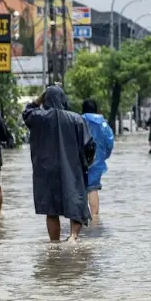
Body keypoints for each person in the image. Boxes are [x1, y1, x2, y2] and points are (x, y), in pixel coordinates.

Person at [24, 86, 96, 242]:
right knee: (76, 202)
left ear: (45, 99)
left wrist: (38, 99)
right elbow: (89, 145)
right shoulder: (76, 119)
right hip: (72, 168)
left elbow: (26, 113)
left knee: (51, 209)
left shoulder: (38, 117)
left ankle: (54, 242)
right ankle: (73, 237)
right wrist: (86, 164)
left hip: (46, 170)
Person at [81, 99, 115, 220]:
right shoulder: (103, 124)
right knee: (93, 188)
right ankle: (95, 219)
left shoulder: (78, 120)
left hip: (78, 159)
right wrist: (103, 156)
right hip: (97, 161)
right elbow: (110, 143)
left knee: (80, 187)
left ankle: (80, 217)